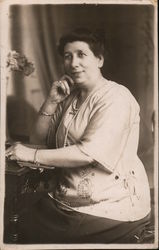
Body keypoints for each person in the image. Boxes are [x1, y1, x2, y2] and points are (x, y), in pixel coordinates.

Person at [5, 28, 151, 244]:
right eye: (67, 56)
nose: (73, 63)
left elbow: (88, 153)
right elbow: (39, 140)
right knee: (16, 216)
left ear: (99, 59)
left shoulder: (116, 97)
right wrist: (52, 101)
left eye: (82, 54)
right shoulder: (69, 97)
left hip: (110, 205)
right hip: (68, 197)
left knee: (20, 228)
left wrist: (30, 154)